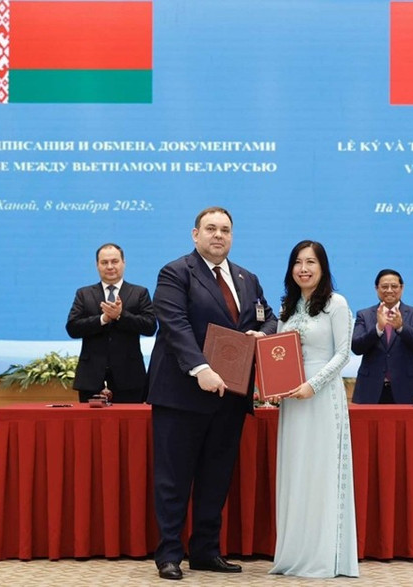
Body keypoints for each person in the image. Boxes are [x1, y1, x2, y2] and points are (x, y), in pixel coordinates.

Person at [146, 207, 277, 581]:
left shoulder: (246, 278)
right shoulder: (175, 272)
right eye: (210, 229)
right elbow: (174, 324)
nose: (218, 235)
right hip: (183, 393)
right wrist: (201, 369)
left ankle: (205, 551)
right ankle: (169, 554)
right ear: (195, 234)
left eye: (225, 230)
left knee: (215, 477)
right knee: (173, 479)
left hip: (230, 397)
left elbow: (267, 315)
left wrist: (263, 333)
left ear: (232, 237)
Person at [269, 240, 359, 579]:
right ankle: (295, 553)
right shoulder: (287, 308)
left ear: (323, 268)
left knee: (321, 472)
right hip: (292, 400)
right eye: (297, 262)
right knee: (297, 471)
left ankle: (323, 556)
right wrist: (273, 388)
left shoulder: (336, 304)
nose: (303, 268)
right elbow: (276, 353)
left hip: (321, 397)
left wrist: (313, 384)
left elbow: (343, 354)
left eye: (311, 262)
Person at [66, 243, 157, 403]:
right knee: (92, 427)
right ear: (97, 265)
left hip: (129, 377)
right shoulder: (84, 294)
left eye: (114, 261)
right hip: (91, 377)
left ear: (123, 263)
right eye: (104, 262)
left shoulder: (139, 293)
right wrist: (103, 319)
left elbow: (150, 326)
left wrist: (120, 315)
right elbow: (73, 328)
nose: (110, 266)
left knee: (129, 426)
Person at [351, 269, 413, 404]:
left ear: (402, 288)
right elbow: (356, 347)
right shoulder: (364, 315)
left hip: (406, 388)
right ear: (376, 288)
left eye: (394, 286)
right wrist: (378, 328)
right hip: (370, 388)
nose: (389, 290)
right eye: (384, 286)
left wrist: (401, 327)